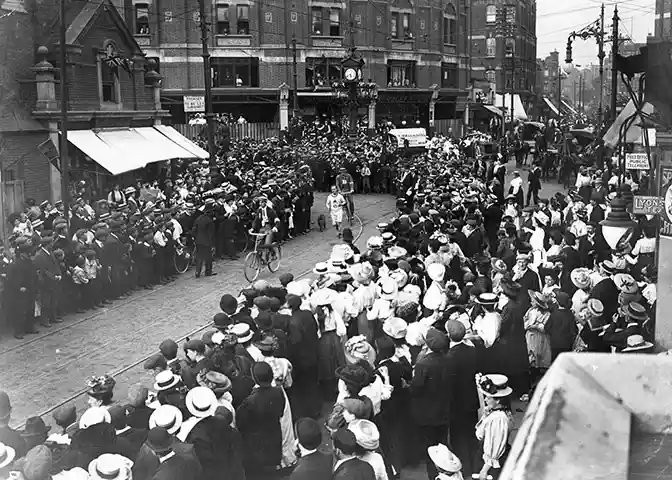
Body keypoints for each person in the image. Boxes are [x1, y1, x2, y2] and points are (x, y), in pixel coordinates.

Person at [475, 374, 514, 480]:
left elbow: (495, 446)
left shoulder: (498, 419)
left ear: (497, 401)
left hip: (491, 464)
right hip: (489, 458)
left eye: (488, 398)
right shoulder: (499, 412)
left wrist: (484, 470)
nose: (486, 400)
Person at [191, 200, 217, 278]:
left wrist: (195, 238)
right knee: (208, 257)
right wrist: (213, 244)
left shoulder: (198, 218)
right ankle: (208, 272)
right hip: (206, 242)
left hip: (198, 241)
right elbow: (211, 234)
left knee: (199, 257)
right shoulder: (210, 221)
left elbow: (194, 230)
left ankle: (197, 271)